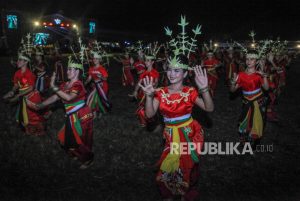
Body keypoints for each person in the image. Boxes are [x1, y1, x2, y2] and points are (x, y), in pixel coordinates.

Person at [140, 54, 214, 201]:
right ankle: (170, 192)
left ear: (185, 73)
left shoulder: (189, 92)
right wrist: (148, 97)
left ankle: (184, 193)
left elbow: (209, 108)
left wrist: (204, 89)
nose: (171, 74)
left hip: (189, 134)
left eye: (177, 70)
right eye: (169, 69)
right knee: (168, 167)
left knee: (186, 166)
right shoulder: (160, 92)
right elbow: (149, 114)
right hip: (171, 136)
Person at [26, 57, 94, 169]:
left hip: (82, 116)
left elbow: (69, 98)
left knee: (79, 141)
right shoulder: (65, 84)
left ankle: (88, 159)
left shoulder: (78, 85)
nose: (67, 71)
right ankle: (77, 154)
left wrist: (53, 86)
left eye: (70, 69)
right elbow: (55, 97)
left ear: (77, 71)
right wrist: (39, 106)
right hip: (72, 116)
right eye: (67, 69)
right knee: (65, 139)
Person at [230, 50, 269, 148]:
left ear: (256, 61)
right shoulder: (241, 74)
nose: (249, 61)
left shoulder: (259, 74)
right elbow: (232, 90)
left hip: (258, 101)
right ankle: (245, 140)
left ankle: (254, 141)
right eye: (247, 59)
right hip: (247, 102)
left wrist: (264, 76)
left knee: (257, 122)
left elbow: (267, 88)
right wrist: (233, 83)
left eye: (252, 59)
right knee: (245, 121)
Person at [3, 53, 46, 135]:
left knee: (33, 117)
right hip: (23, 97)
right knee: (24, 116)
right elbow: (16, 84)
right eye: (18, 59)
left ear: (26, 62)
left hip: (31, 97)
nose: (17, 61)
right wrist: (12, 91)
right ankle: (29, 130)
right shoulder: (17, 73)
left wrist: (19, 95)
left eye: (20, 60)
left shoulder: (29, 74)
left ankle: (38, 132)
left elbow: (31, 88)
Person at [130, 54, 160, 128]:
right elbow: (139, 83)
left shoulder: (155, 72)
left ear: (152, 62)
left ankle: (151, 122)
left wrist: (154, 85)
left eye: (148, 60)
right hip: (142, 93)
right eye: (145, 60)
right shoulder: (144, 73)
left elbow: (156, 82)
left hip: (151, 94)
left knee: (150, 108)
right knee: (141, 108)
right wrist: (135, 91)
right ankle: (143, 121)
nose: (145, 62)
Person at [85, 52, 111, 118]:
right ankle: (95, 113)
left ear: (99, 60)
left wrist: (101, 77)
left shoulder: (102, 69)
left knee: (101, 99)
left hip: (103, 86)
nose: (95, 60)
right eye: (94, 59)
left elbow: (105, 79)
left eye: (96, 59)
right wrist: (84, 83)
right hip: (95, 87)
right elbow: (89, 78)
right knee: (95, 100)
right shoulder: (91, 69)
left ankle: (101, 112)